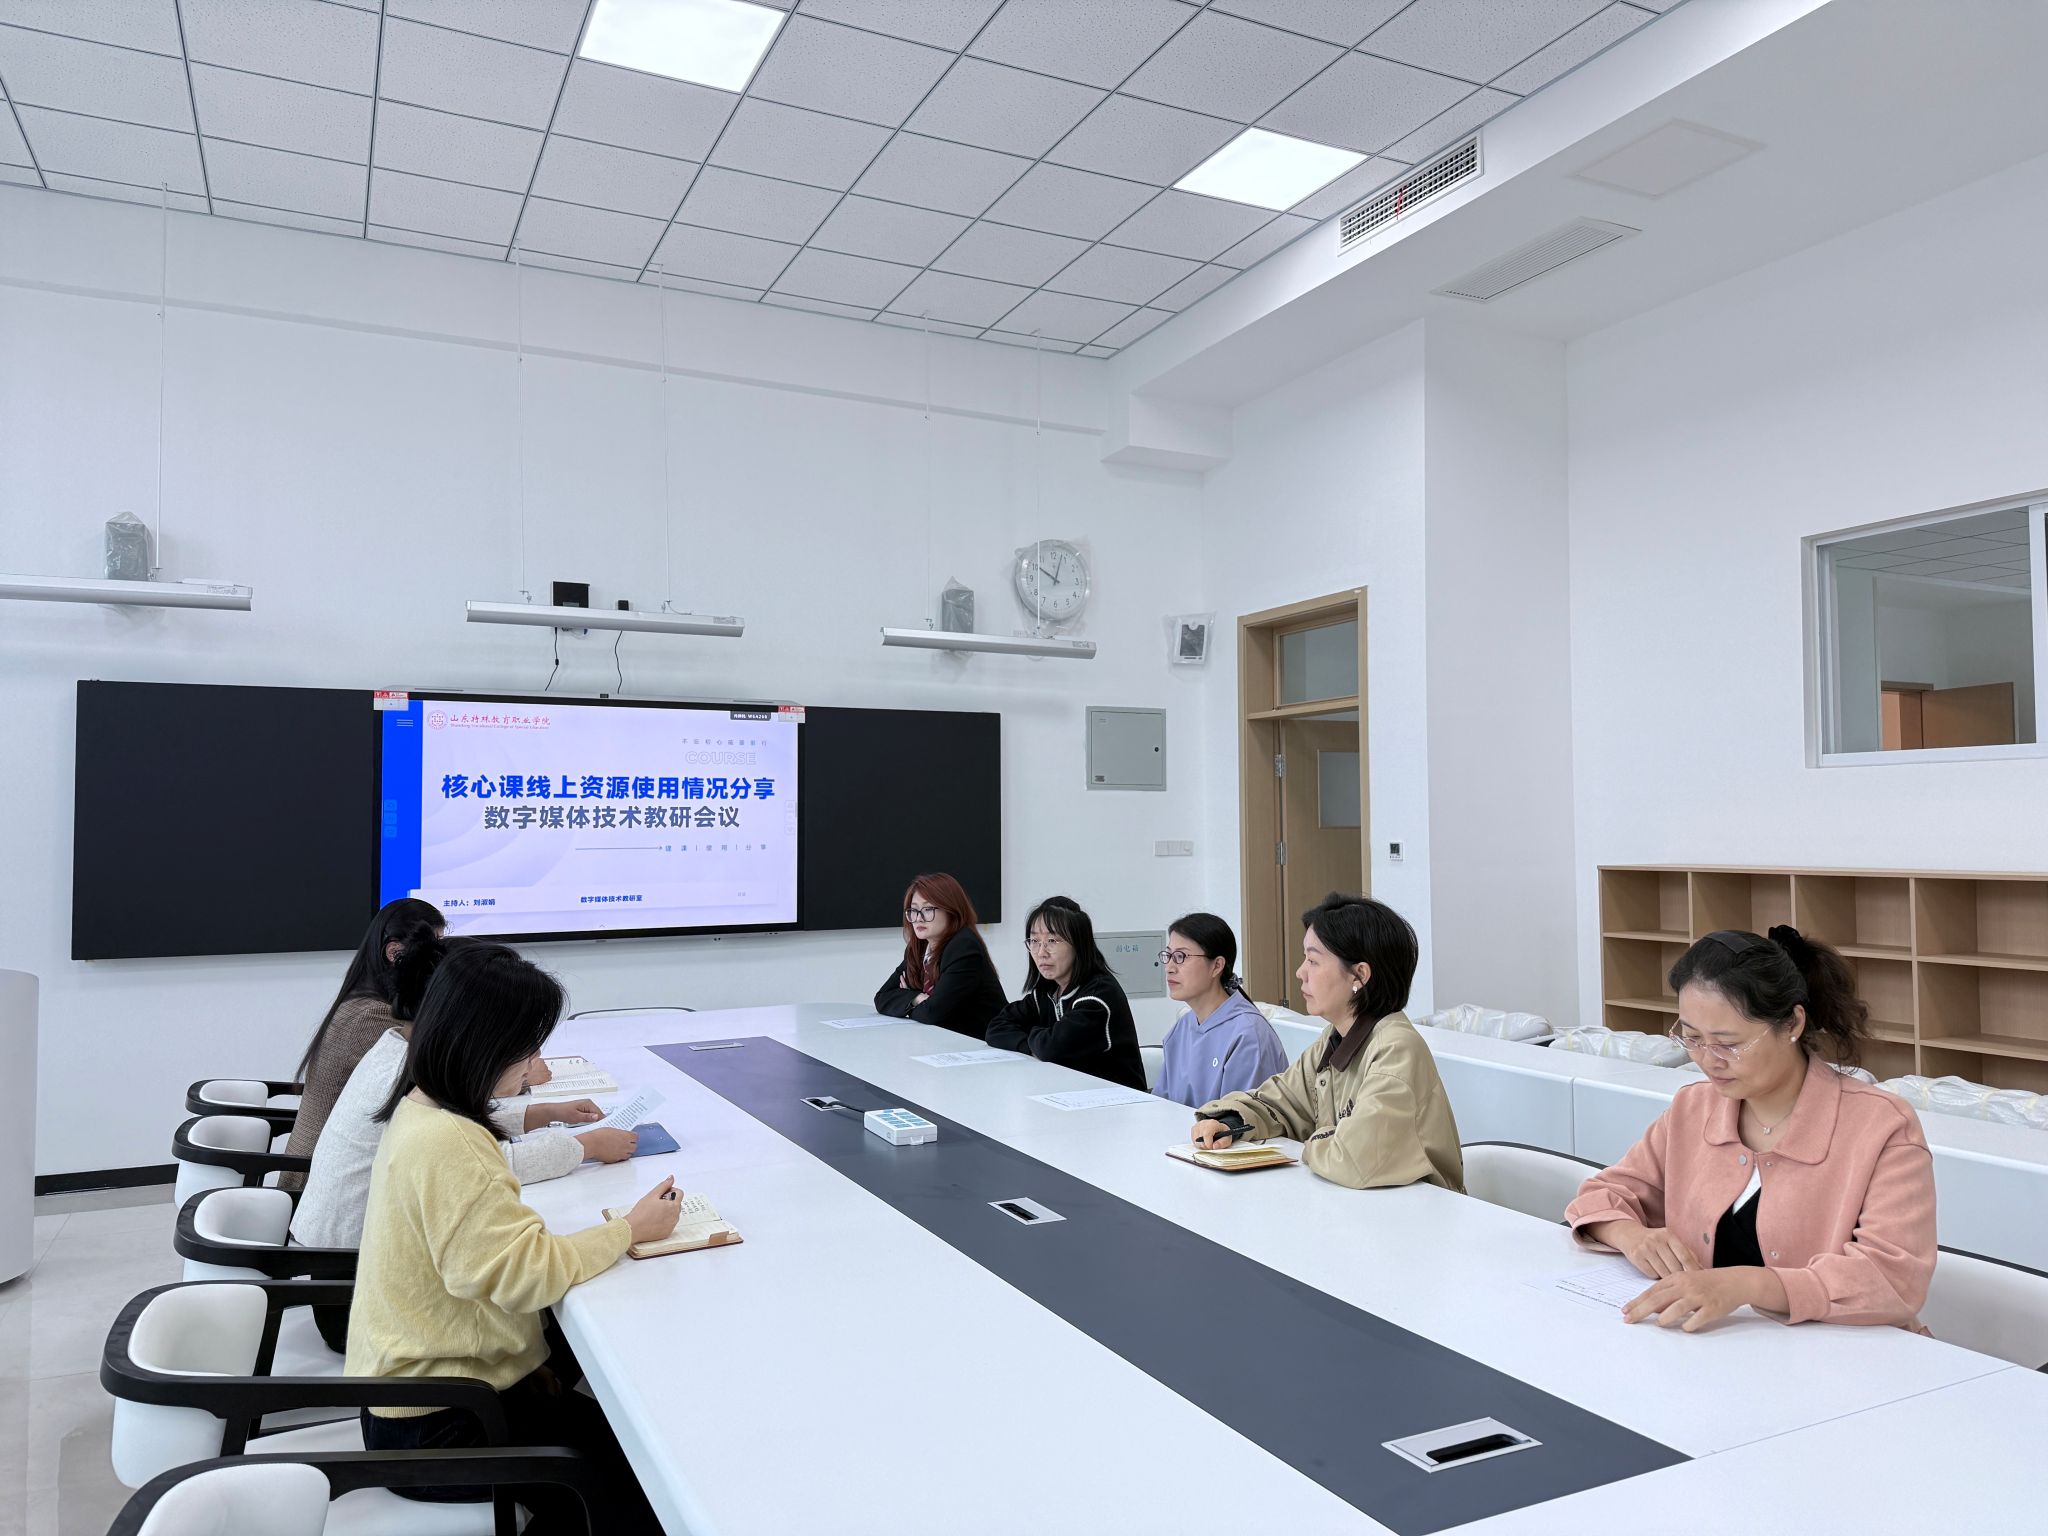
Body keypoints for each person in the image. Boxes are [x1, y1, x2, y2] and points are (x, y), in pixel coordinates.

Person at [347, 942, 678, 1534]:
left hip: (431, 1391)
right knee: (642, 1484)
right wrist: (629, 1229)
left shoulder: (425, 1107)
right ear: (485, 1044)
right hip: (442, 1422)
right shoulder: (449, 1142)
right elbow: (524, 1276)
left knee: (630, 1436)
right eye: (527, 1049)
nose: (533, 1066)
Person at [1565, 926, 1936, 1334]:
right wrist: (1632, 1236)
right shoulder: (1694, 1107)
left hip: (1849, 1357)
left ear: (1792, 1024)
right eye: (1691, 1038)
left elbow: (1892, 1279)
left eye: (1729, 1043)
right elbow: (1601, 1196)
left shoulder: (1882, 1126)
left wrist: (1745, 1285)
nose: (1708, 1060)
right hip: (1716, 1349)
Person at [290, 936, 629, 1352]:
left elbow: (465, 1132)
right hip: (355, 1294)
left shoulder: (405, 1061)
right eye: (527, 1045)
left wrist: (539, 1113)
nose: (536, 1057)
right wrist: (625, 1221)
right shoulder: (428, 1113)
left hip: (361, 1283)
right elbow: (518, 1259)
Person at [1192, 894, 1462, 1192]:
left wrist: (1314, 1137)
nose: (1300, 973)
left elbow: (1354, 1160)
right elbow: (1281, 1102)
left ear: (1359, 975)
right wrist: (1230, 1123)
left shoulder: (1397, 1048)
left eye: (1313, 961)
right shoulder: (1335, 1039)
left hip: (1420, 1213)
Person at [280, 898, 445, 1188]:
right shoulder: (373, 1019)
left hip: (333, 1168)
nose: (441, 963)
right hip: (318, 1180)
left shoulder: (364, 1003)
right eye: (435, 950)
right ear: (394, 953)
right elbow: (439, 1082)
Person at [987, 896, 1146, 1089]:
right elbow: (996, 1027)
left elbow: (1051, 1049)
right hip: (1067, 1093)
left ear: (1078, 944)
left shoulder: (1098, 996)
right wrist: (1032, 1044)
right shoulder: (1048, 990)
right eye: (1034, 941)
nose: (1041, 952)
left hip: (1116, 1099)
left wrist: (1033, 1036)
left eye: (1052, 940)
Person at [1153, 912, 1288, 1108]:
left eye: (1181, 957)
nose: (1169, 968)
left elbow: (1242, 1118)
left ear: (1217, 966)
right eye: (1168, 956)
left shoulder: (1248, 1035)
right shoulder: (1182, 1027)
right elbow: (1161, 1105)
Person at [873, 873, 1007, 1039]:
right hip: (944, 1041)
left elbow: (932, 1013)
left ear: (951, 910)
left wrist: (909, 1003)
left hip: (983, 1044)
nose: (918, 918)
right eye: (913, 910)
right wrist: (917, 998)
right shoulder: (919, 947)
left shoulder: (963, 946)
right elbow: (882, 998)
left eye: (928, 909)